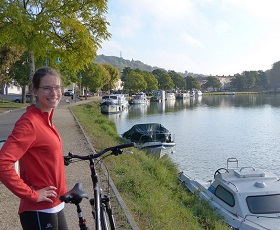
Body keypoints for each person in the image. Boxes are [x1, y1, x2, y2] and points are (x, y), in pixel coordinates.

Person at [0, 67, 68, 230]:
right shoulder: (29, 123)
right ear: (35, 91)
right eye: (47, 88)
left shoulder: (47, 119)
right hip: (39, 211)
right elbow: (2, 163)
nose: (54, 92)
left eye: (57, 87)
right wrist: (32, 194)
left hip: (56, 205)